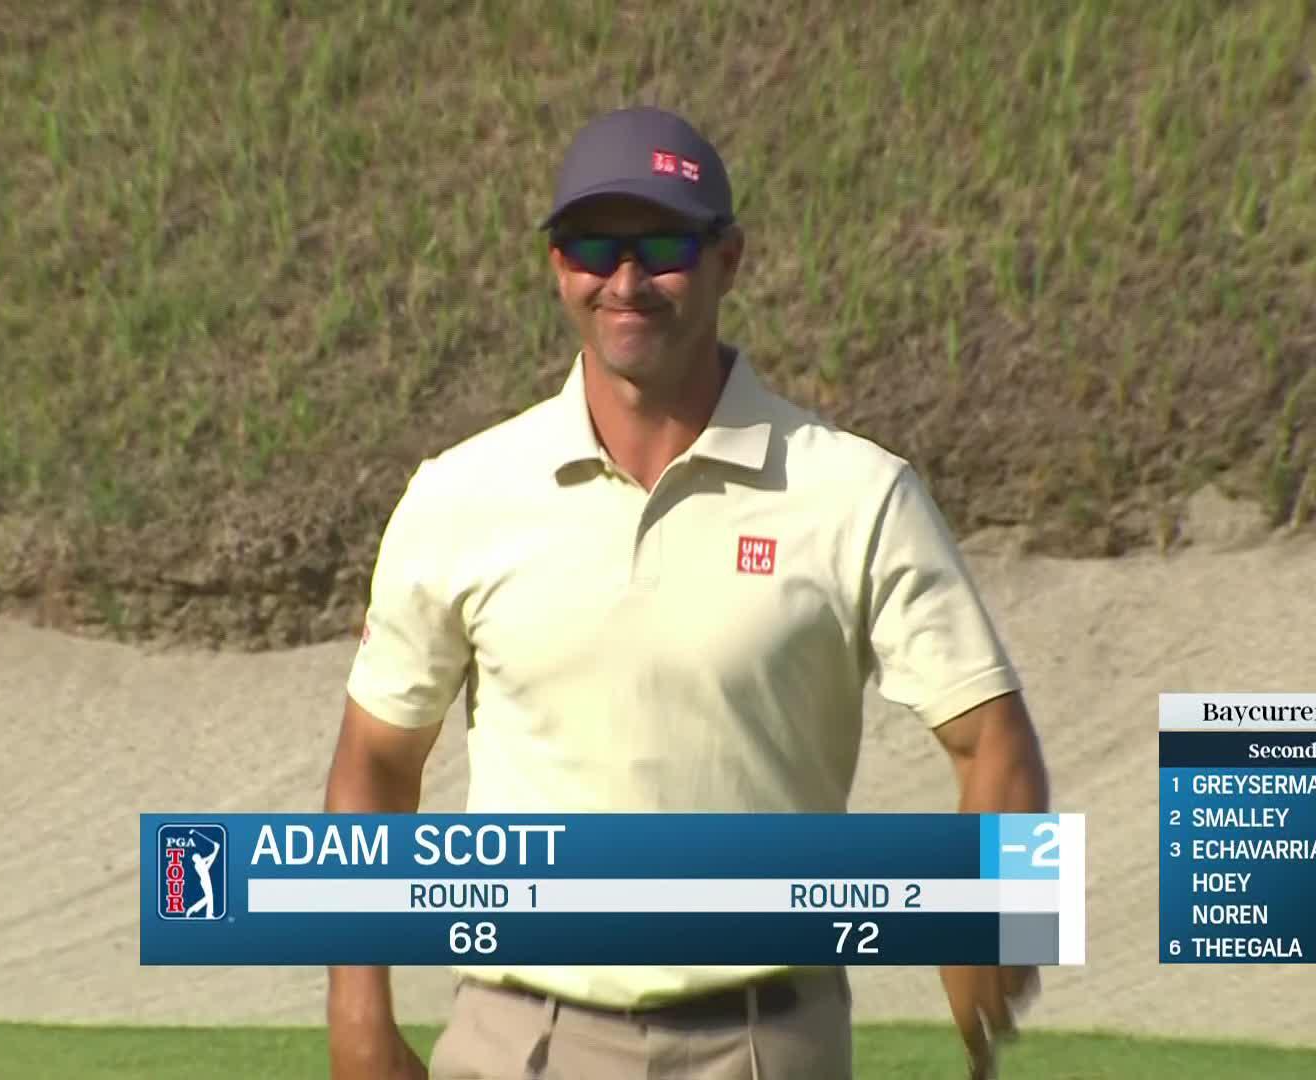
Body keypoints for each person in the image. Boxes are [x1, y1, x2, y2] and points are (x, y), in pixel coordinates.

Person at [323, 105, 1050, 1080]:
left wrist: (993, 914)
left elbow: (993, 734)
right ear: (555, 263)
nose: (626, 281)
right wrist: (359, 1020)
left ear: (729, 259)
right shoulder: (460, 494)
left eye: (663, 244)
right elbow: (375, 764)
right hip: (517, 1037)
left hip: (764, 1039)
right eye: (594, 246)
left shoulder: (855, 493)